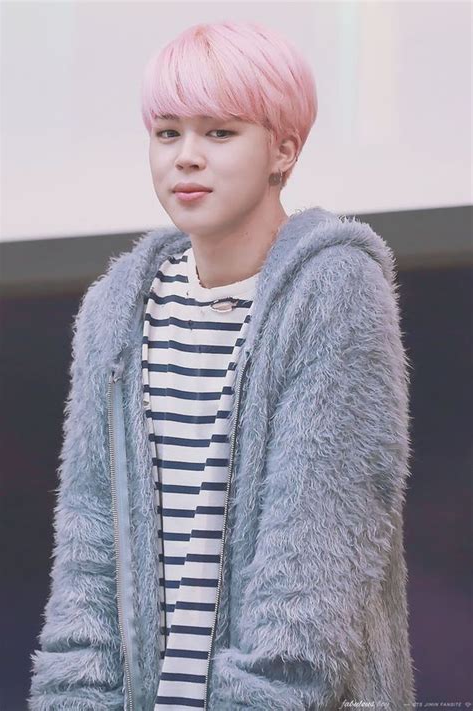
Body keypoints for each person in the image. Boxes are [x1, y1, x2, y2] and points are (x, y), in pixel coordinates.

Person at [28, 19, 416, 711]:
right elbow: (87, 551)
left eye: (219, 132)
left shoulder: (333, 292)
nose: (186, 157)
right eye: (167, 132)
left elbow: (314, 571)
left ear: (284, 149)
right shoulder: (116, 308)